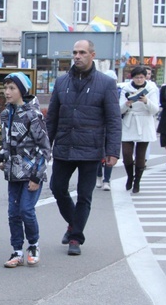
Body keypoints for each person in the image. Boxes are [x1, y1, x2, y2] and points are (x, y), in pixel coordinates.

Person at [46, 39, 121, 256]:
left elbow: (113, 120)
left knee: (84, 195)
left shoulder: (106, 83)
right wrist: (45, 146)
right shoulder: (61, 82)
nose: (77, 56)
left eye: (82, 52)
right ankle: (73, 224)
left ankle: (76, 238)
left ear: (92, 55)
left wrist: (112, 151)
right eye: (75, 53)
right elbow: (52, 118)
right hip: (65, 145)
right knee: (58, 188)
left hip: (91, 148)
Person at [0, 73, 50, 268]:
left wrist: (37, 175)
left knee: (26, 210)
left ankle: (34, 245)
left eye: (12, 88)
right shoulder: (5, 114)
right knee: (13, 213)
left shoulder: (33, 115)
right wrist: (2, 157)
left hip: (31, 173)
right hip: (13, 173)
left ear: (22, 90)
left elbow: (45, 147)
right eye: (6, 88)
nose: (7, 92)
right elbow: (5, 142)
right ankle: (16, 250)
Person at [119, 66, 160, 193]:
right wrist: (127, 104)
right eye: (136, 77)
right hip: (129, 121)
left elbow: (155, 110)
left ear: (146, 77)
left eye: (141, 77)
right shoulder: (126, 88)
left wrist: (146, 101)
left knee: (141, 154)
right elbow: (119, 109)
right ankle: (130, 176)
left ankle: (137, 181)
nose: (139, 80)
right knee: (126, 153)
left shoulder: (151, 89)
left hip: (144, 121)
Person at [96, 70, 120, 191]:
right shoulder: (100, 91)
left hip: (110, 128)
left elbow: (116, 114)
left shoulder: (119, 92)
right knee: (99, 155)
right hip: (98, 128)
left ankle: (107, 180)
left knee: (109, 155)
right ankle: (99, 175)